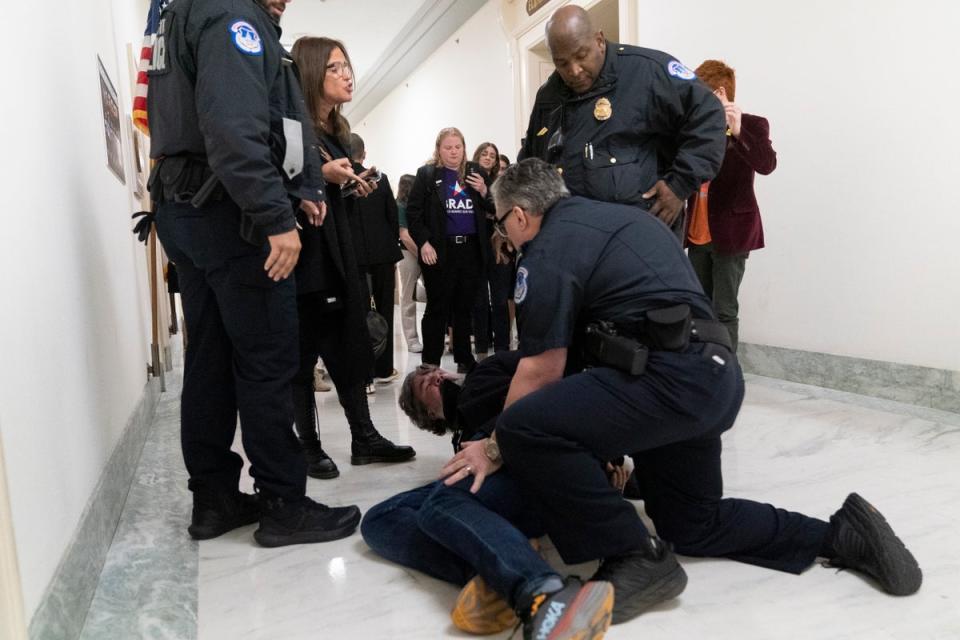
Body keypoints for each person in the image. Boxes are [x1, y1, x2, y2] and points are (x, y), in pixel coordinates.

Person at [441, 159, 922, 624]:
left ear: (520, 215)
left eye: (504, 226)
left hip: (665, 378)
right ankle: (840, 535)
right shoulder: (625, 219)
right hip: (712, 377)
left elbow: (542, 369)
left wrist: (492, 445)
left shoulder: (547, 249)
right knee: (692, 523)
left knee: (524, 426)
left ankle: (634, 555)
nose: (506, 236)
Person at [147, 0, 360, 547]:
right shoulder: (231, 16)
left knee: (211, 359)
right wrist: (273, 215)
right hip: (230, 217)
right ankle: (284, 502)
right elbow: (233, 128)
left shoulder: (191, 11)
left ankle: (214, 499)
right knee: (268, 359)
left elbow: (276, 121)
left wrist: (306, 186)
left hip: (187, 208)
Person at [362, 352, 618, 640]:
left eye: (435, 372)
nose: (437, 377)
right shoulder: (460, 441)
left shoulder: (486, 372)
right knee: (378, 519)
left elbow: (552, 376)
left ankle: (542, 591)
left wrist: (601, 452)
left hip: (546, 461)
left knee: (441, 503)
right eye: (427, 385)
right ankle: (494, 571)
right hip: (522, 488)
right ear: (430, 415)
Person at [289, 36, 415, 478]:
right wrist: (319, 175)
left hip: (340, 255)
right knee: (303, 358)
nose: (347, 75)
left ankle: (363, 437)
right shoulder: (293, 126)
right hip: (307, 259)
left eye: (347, 66)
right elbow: (278, 184)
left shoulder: (336, 133)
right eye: (335, 67)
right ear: (310, 73)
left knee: (348, 348)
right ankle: (308, 448)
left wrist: (347, 182)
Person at [518, 5, 726, 238]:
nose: (574, 70)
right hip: (575, 242)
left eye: (581, 55)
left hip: (640, 241)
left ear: (599, 40)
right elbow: (531, 159)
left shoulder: (648, 71)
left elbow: (710, 115)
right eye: (562, 63)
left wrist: (679, 185)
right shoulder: (549, 95)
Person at [685, 60, 776, 352]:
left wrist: (738, 132)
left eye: (701, 94)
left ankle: (727, 374)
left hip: (731, 233)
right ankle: (704, 364)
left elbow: (767, 164)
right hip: (697, 232)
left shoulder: (752, 125)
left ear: (720, 92)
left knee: (724, 310)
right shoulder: (695, 129)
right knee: (699, 308)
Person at [406, 128, 493, 371]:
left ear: (464, 148)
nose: (454, 151)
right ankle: (431, 362)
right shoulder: (427, 175)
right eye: (448, 147)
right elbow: (413, 213)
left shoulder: (475, 172)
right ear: (439, 149)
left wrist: (484, 191)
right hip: (439, 251)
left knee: (464, 308)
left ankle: (464, 359)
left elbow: (494, 207)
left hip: (470, 251)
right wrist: (423, 242)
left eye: (458, 147)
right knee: (437, 307)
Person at [349, 133, 403, 382]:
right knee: (384, 309)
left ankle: (364, 370)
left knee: (358, 313)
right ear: (364, 153)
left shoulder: (343, 184)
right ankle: (384, 367)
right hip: (383, 254)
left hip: (354, 257)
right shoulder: (380, 180)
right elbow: (392, 218)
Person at [469, 142, 513, 357]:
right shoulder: (466, 181)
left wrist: (485, 192)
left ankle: (503, 349)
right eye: (484, 154)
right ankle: (481, 350)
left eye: (492, 156)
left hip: (500, 247)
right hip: (476, 247)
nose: (488, 158)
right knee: (478, 302)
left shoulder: (501, 184)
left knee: (500, 301)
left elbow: (501, 212)